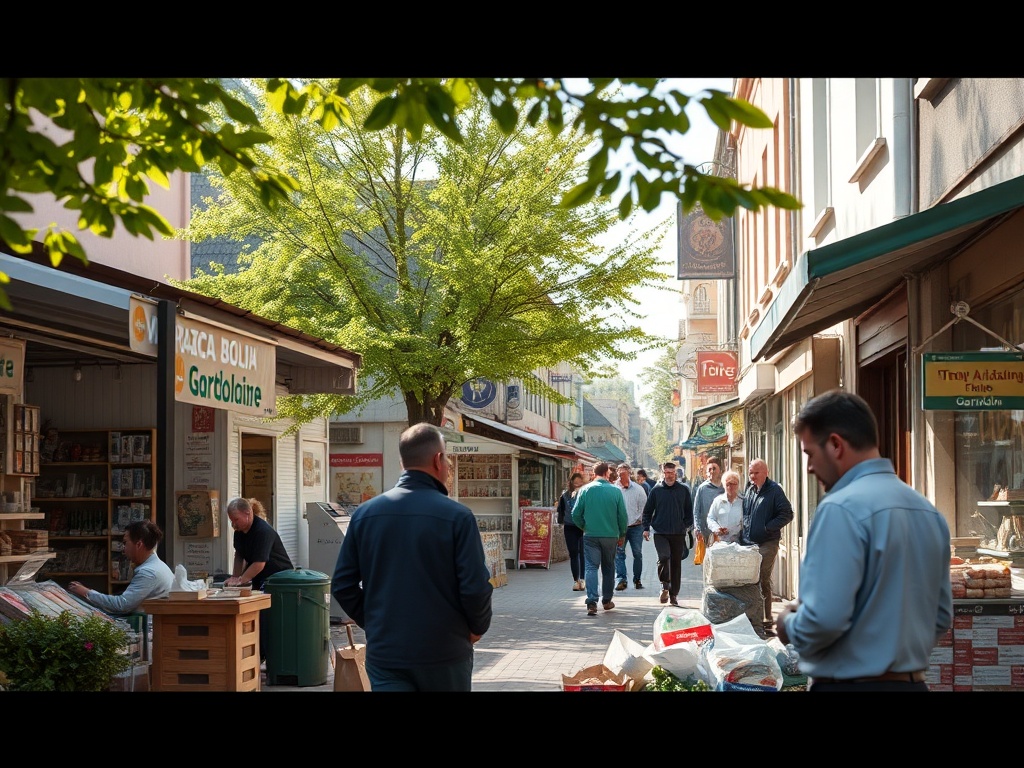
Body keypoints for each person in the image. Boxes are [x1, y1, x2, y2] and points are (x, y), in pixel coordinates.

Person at [777, 390, 952, 692]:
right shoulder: (927, 511)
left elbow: (823, 621)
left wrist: (787, 625)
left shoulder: (840, 508)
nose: (809, 467)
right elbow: (941, 617)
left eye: (810, 454)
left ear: (836, 445)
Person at [331, 423, 493, 691]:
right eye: (447, 459)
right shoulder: (457, 517)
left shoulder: (365, 515)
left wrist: (374, 623)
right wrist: (477, 627)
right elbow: (475, 587)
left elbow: (342, 585)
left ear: (402, 462)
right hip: (444, 652)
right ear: (438, 460)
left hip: (387, 653)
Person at [225, 496, 294, 662]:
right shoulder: (239, 533)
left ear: (248, 513)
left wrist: (241, 580)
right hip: (258, 577)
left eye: (236, 520)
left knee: (265, 618)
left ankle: (265, 655)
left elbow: (259, 563)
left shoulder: (263, 531)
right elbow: (239, 555)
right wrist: (234, 577)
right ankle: (255, 654)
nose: (233, 524)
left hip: (277, 578)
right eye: (231, 521)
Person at [68, 519, 173, 615]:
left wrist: (86, 592)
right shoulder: (157, 566)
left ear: (139, 545)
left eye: (125, 543)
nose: (123, 549)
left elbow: (122, 605)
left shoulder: (148, 572)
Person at [740, 458, 794, 637]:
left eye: (756, 473)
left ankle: (766, 622)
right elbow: (747, 515)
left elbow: (787, 514)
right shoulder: (750, 490)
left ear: (766, 472)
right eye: (750, 473)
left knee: (761, 577)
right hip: (750, 543)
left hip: (768, 542)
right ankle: (753, 620)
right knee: (750, 579)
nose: (752, 476)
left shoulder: (775, 490)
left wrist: (767, 527)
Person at [572, 461, 628, 616]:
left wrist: (584, 526)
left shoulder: (585, 490)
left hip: (590, 535)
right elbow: (622, 516)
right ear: (607, 473)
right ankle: (607, 600)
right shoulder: (615, 491)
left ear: (593, 473)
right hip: (610, 535)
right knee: (608, 567)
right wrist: (622, 534)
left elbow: (575, 514)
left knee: (591, 567)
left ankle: (591, 601)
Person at [641, 461, 694, 607]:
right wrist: (646, 528)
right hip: (660, 532)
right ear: (663, 473)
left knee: (676, 564)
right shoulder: (656, 491)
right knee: (664, 557)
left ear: (675, 473)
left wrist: (686, 526)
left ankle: (674, 594)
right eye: (667, 473)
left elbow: (689, 511)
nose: (669, 475)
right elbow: (647, 511)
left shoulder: (683, 490)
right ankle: (665, 585)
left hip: (678, 533)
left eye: (672, 473)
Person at [613, 463, 648, 591]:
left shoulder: (638, 489)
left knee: (637, 553)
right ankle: (621, 580)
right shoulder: (614, 489)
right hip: (619, 528)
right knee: (619, 553)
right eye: (619, 473)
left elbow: (644, 507)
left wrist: (643, 523)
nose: (621, 476)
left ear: (629, 473)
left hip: (636, 527)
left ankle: (637, 579)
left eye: (624, 473)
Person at [557, 472, 587, 591]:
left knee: (583, 553)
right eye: (575, 483)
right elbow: (561, 511)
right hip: (570, 527)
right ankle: (576, 580)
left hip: (583, 527)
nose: (577, 486)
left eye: (580, 483)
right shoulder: (565, 496)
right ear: (570, 483)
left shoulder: (586, 494)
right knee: (573, 553)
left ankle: (583, 579)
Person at [692, 456, 724, 547]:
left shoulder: (725, 487)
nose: (712, 471)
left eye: (714, 469)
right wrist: (697, 528)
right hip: (705, 532)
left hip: (722, 532)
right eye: (709, 469)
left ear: (720, 470)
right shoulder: (702, 488)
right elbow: (696, 510)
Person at [706, 470, 744, 543]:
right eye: (728, 484)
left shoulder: (743, 502)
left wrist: (732, 531)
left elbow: (745, 522)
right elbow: (710, 518)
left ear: (738, 485)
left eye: (734, 484)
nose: (731, 487)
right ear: (723, 485)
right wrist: (717, 529)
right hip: (719, 542)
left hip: (738, 542)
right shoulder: (718, 501)